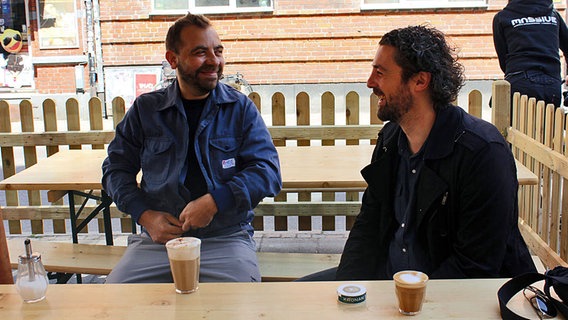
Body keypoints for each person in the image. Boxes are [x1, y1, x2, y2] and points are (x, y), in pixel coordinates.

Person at [301, 25, 537, 281]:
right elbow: (368, 224)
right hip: (390, 281)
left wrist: (404, 302)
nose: (370, 83)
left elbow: (475, 266)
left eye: (380, 73)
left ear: (420, 81)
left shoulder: (482, 153)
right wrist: (348, 289)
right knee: (295, 299)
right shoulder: (391, 138)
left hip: (454, 297)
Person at [101, 13, 282, 283]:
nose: (214, 61)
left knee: (239, 304)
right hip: (158, 242)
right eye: (200, 52)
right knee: (117, 299)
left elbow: (267, 172)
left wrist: (215, 201)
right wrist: (146, 216)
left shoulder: (240, 108)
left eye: (218, 51)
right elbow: (115, 170)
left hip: (225, 239)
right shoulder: (146, 109)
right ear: (173, 59)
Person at [492, 0, 568, 108]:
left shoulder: (502, 18)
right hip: (551, 84)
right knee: (549, 123)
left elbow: (503, 60)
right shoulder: (553, 15)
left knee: (518, 124)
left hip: (520, 81)